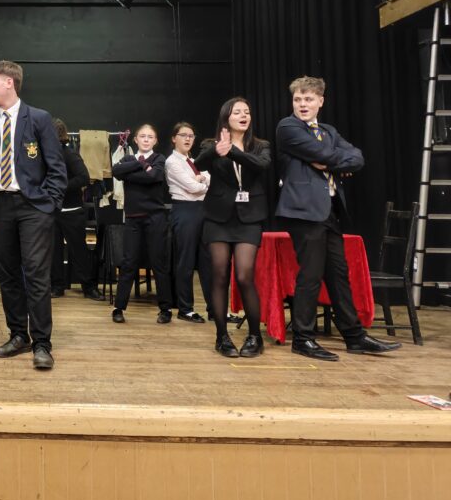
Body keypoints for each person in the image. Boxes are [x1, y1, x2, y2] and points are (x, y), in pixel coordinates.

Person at [276, 76, 400, 361]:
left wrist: (328, 162)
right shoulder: (288, 127)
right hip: (303, 212)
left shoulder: (329, 131)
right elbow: (320, 153)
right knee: (310, 275)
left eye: (308, 99)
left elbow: (357, 158)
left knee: (338, 274)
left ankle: (354, 337)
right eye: (297, 99)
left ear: (320, 101)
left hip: (329, 211)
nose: (302, 104)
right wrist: (331, 159)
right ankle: (303, 339)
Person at [0, 60, 66, 371]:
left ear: (9, 82)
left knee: (36, 274)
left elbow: (57, 168)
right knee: (8, 274)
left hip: (34, 207)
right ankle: (18, 335)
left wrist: (49, 205)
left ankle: (42, 343)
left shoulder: (38, 118)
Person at [193, 98, 271, 358]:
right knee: (219, 275)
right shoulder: (211, 144)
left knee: (244, 275)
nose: (243, 115)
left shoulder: (260, 145)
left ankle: (254, 336)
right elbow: (198, 164)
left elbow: (261, 165)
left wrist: (233, 152)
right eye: (237, 112)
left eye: (246, 112)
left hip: (249, 218)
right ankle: (222, 337)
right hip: (218, 218)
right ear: (226, 117)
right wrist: (217, 150)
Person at [110, 124, 172, 324]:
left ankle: (165, 309)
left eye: (150, 137)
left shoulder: (159, 159)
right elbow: (116, 171)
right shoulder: (129, 158)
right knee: (129, 262)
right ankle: (119, 308)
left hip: (156, 217)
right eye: (142, 136)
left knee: (158, 263)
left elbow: (154, 176)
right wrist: (143, 165)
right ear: (135, 140)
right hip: (133, 218)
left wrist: (131, 173)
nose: (146, 139)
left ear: (155, 140)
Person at [165, 122, 212, 323]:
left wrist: (203, 179)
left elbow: (208, 179)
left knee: (208, 262)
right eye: (183, 135)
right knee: (186, 261)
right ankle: (185, 308)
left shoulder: (192, 161)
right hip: (184, 210)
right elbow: (193, 187)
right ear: (174, 138)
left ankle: (215, 308)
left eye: (191, 136)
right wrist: (202, 180)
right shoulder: (172, 162)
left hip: (202, 210)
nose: (188, 139)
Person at [51, 119, 101, 301]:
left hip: (71, 211)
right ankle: (57, 287)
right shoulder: (45, 155)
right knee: (53, 251)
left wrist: (60, 186)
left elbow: (84, 178)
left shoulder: (69, 154)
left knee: (79, 251)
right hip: (52, 211)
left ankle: (89, 287)